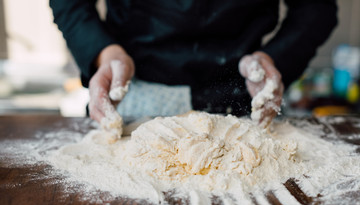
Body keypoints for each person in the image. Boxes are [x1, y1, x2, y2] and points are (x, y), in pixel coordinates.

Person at [50, 0, 337, 126]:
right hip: (133, 89)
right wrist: (105, 53)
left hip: (243, 93)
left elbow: (316, 7)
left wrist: (271, 58)